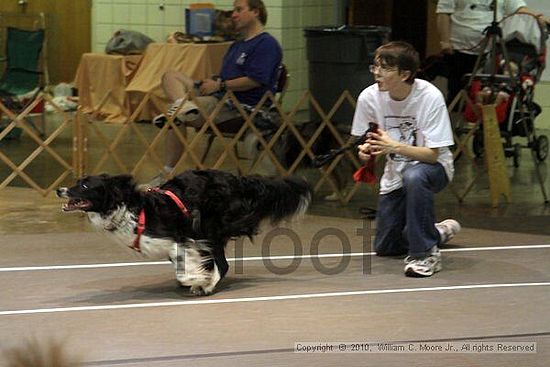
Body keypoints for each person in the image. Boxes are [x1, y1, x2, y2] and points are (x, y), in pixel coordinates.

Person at [352, 41, 461, 277]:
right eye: (375, 66)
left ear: (405, 74)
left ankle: (425, 254)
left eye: (385, 68)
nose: (377, 73)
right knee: (386, 246)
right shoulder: (368, 97)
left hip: (435, 168)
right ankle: (435, 232)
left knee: (415, 175)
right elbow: (364, 141)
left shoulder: (429, 97)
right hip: (395, 173)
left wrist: (394, 146)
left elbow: (432, 154)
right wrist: (365, 153)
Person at [147, 0, 282, 187]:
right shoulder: (237, 45)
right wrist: (211, 82)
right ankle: (183, 106)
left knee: (174, 115)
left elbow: (255, 79)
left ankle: (167, 171)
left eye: (239, 10)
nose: (233, 14)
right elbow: (225, 77)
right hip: (219, 95)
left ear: (255, 12)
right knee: (171, 76)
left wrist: (220, 85)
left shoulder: (266, 44)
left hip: (241, 106)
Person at [436, 0, 550, 103]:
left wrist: (538, 17)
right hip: (460, 48)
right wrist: (444, 41)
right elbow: (443, 12)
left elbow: (519, 9)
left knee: (486, 92)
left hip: (491, 51)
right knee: (458, 92)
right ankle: (456, 123)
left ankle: (482, 122)